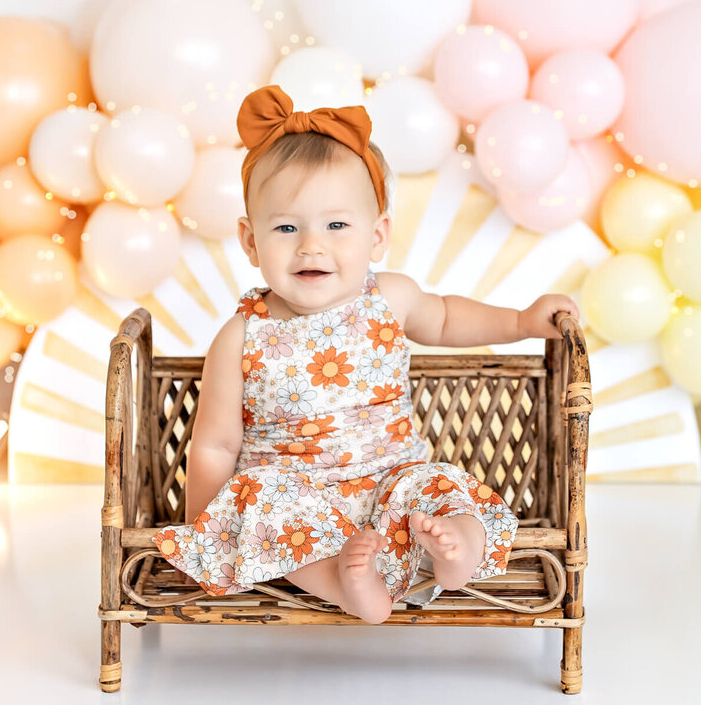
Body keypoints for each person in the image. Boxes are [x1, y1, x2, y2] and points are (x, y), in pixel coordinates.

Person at [152, 84, 579, 624]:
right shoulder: (241, 334)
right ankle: (341, 579)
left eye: (337, 225)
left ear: (377, 236)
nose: (312, 244)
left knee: (438, 485)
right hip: (302, 506)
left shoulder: (390, 298)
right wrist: (204, 533)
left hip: (391, 482)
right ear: (251, 241)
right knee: (260, 496)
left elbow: (446, 318)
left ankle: (460, 549)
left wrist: (520, 322)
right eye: (286, 227)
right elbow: (214, 443)